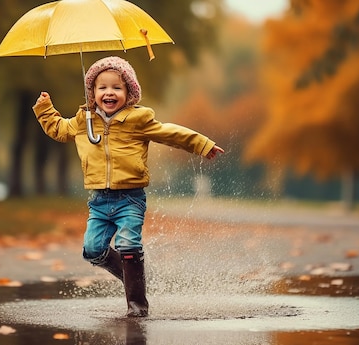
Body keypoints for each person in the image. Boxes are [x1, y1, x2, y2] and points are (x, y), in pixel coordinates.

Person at [33, 56, 224, 317]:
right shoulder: (84, 120)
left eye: (116, 88)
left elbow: (169, 133)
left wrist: (201, 144)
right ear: (92, 92)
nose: (109, 93)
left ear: (129, 93)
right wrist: (45, 108)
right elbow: (58, 129)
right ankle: (130, 276)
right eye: (102, 88)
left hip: (130, 199)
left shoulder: (138, 120)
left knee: (128, 244)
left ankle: (137, 305)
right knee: (92, 250)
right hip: (99, 201)